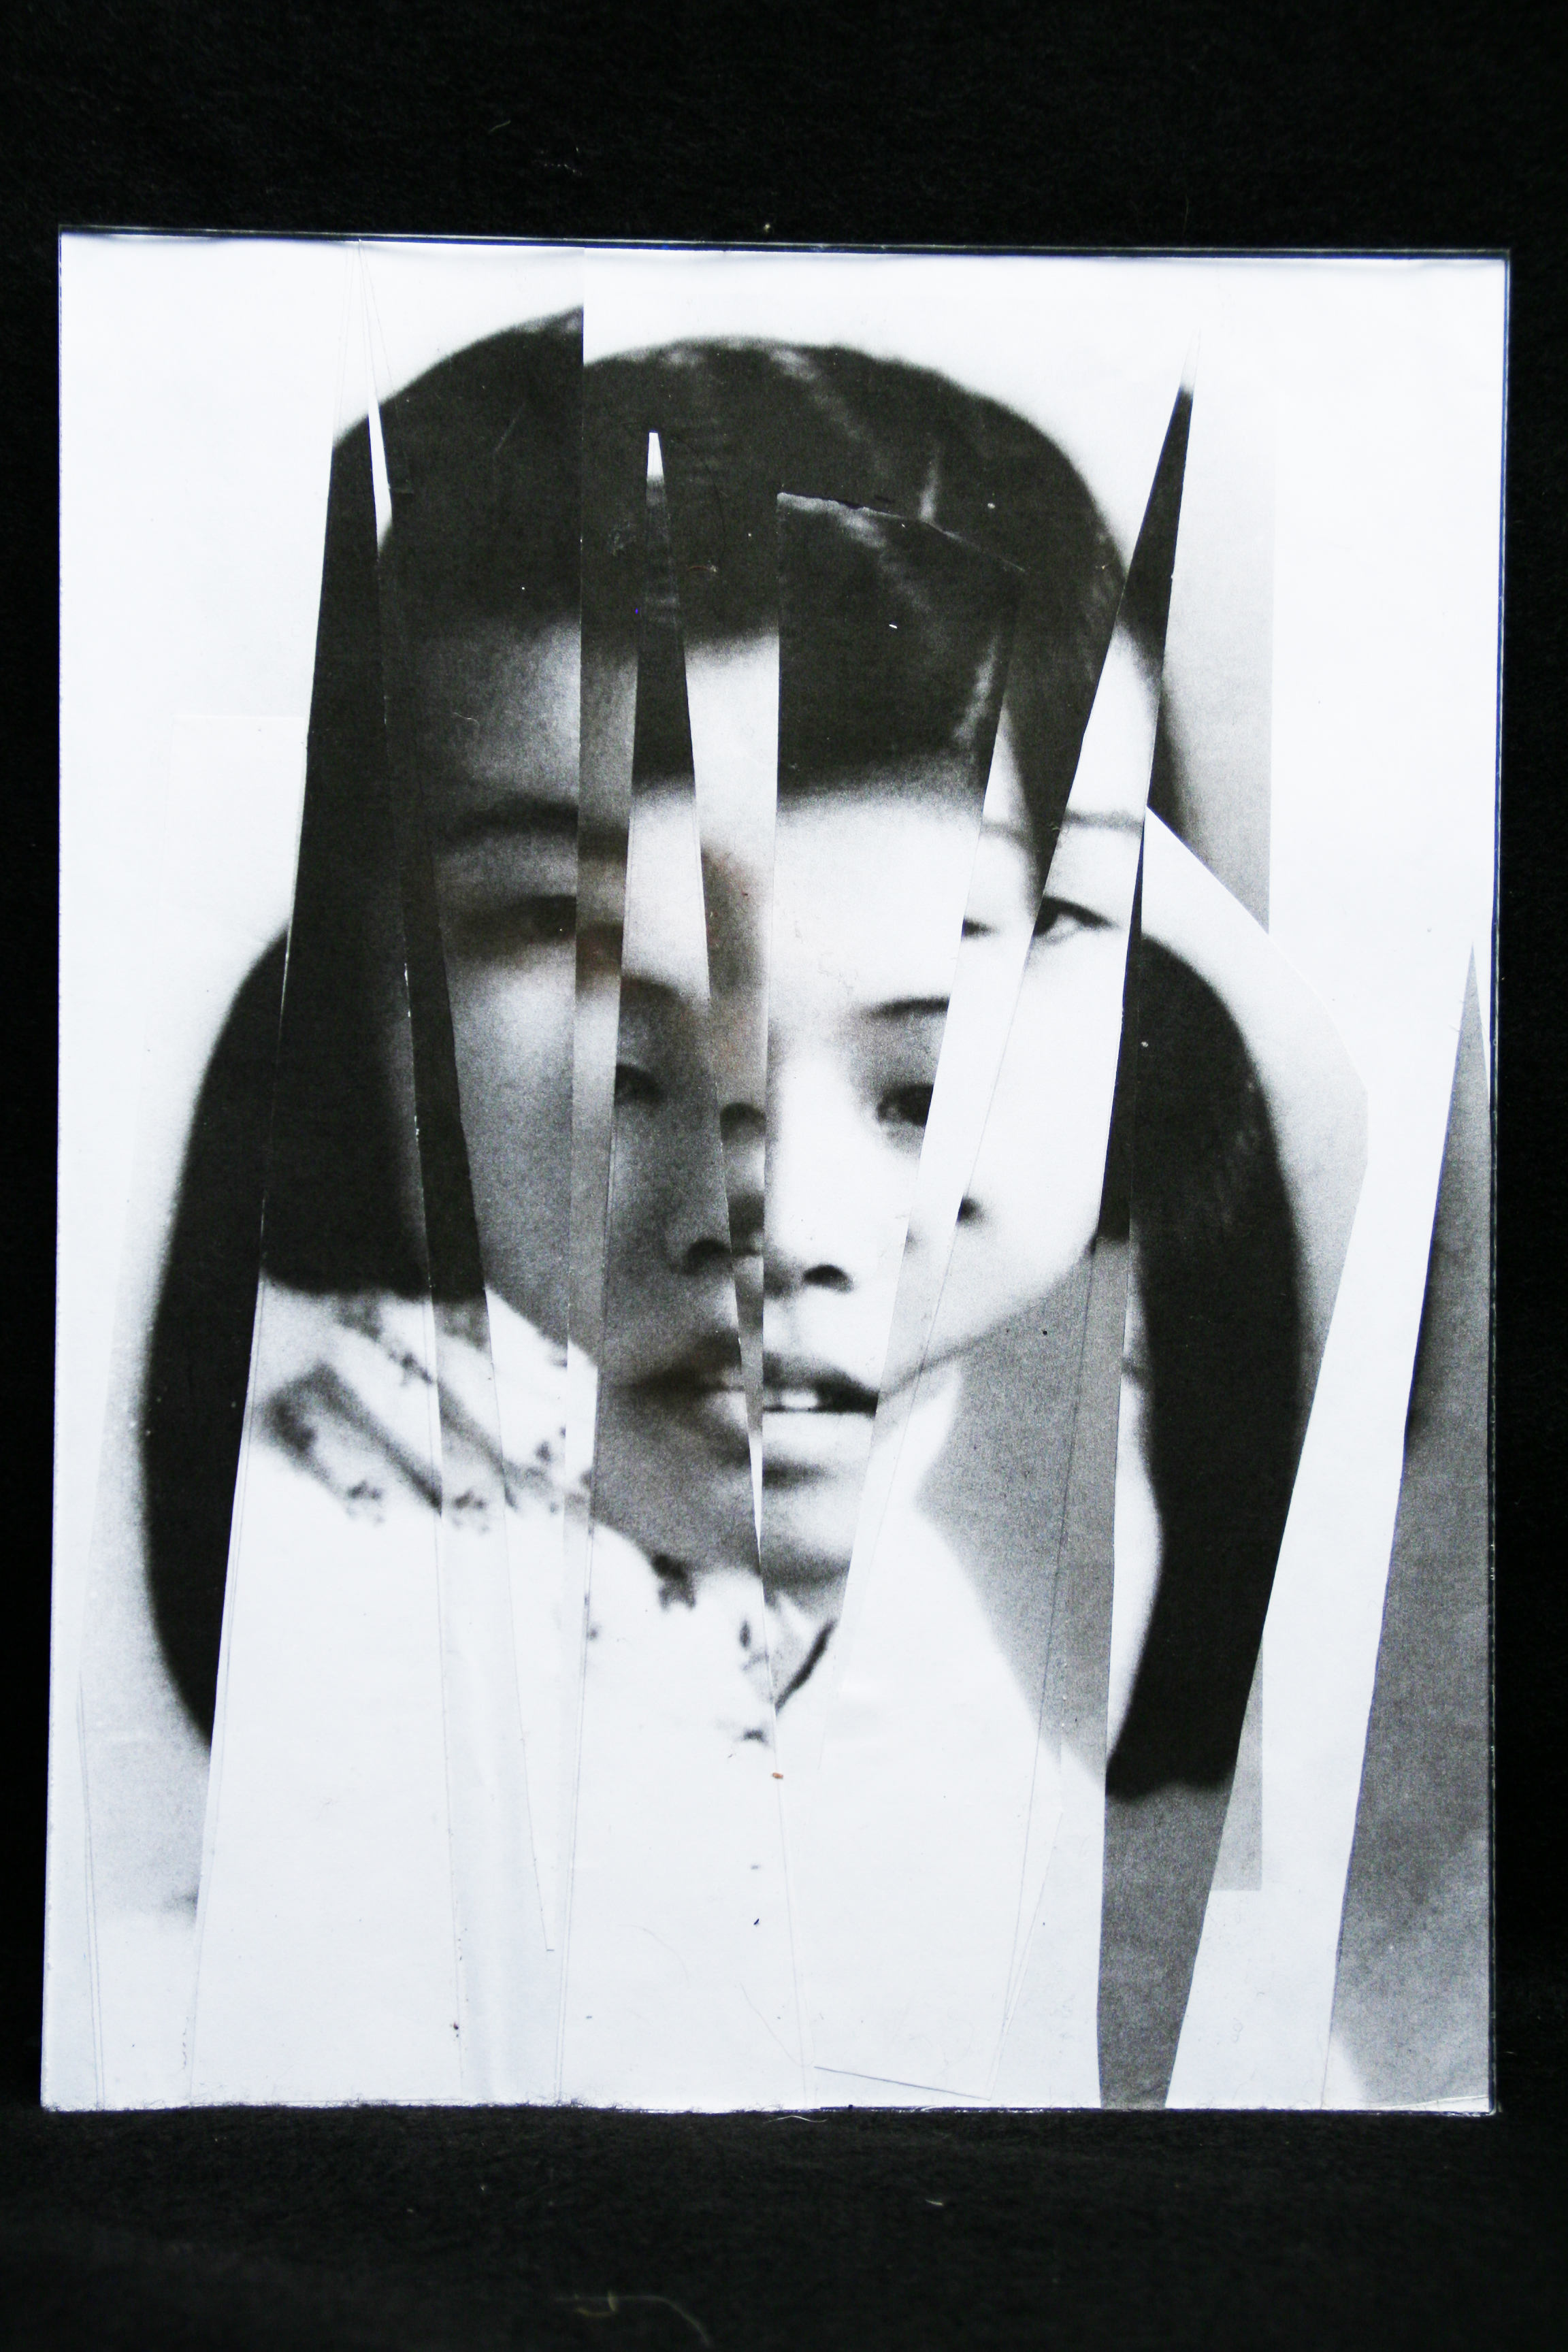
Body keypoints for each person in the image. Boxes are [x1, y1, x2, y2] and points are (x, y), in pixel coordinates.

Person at [145, 321, 1309, 2104]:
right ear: (365, 983)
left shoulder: (1093, 1550)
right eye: (601, 995)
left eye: (924, 1061)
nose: (784, 1222)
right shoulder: (335, 1613)